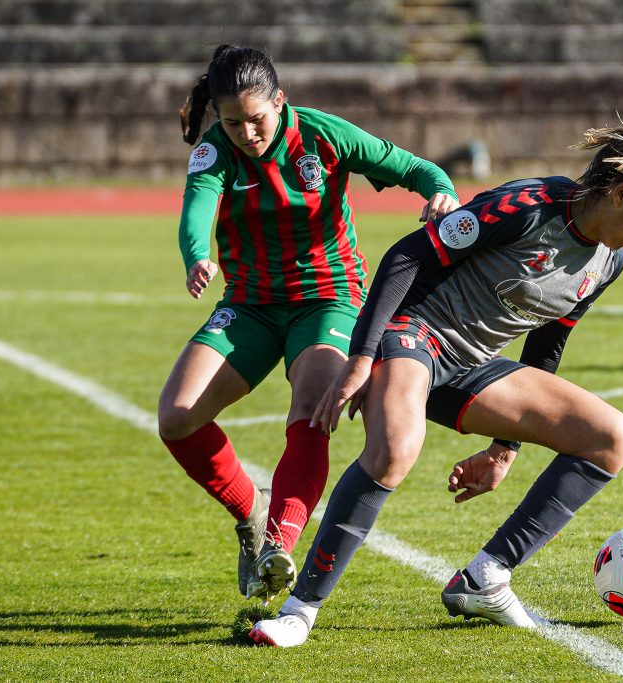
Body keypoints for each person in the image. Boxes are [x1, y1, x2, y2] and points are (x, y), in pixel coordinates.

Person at [249, 113, 623, 646]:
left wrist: (504, 449)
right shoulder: (529, 208)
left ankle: (487, 577)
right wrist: (363, 358)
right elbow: (407, 256)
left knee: (612, 437)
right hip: (413, 332)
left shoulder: (610, 262)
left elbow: (547, 342)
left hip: (472, 362)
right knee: (394, 450)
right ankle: (300, 612)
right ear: (620, 194)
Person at [158, 45, 459, 603]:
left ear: (280, 100)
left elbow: (414, 167)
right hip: (250, 303)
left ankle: (278, 545)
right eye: (232, 122)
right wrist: (198, 254)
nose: (247, 133)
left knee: (312, 412)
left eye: (257, 119)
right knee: (176, 418)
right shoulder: (214, 150)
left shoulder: (324, 136)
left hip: (329, 298)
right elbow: (196, 208)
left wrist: (440, 191)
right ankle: (251, 515)